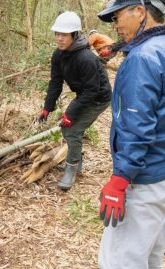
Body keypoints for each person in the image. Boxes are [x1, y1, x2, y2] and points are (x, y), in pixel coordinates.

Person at [96, 0, 165, 269]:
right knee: (150, 255)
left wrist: (120, 179)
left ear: (140, 10)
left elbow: (136, 127)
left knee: (120, 262)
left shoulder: (142, 58)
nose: (116, 25)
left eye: (117, 17)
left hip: (144, 180)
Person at [38, 11, 112, 191]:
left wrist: (70, 113)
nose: (60, 38)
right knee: (70, 130)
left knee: (72, 130)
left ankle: (71, 169)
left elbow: (92, 90)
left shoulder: (85, 58)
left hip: (99, 98)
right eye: (57, 34)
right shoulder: (58, 55)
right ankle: (76, 162)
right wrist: (47, 107)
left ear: (74, 34)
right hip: (85, 94)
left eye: (64, 35)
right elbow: (55, 82)